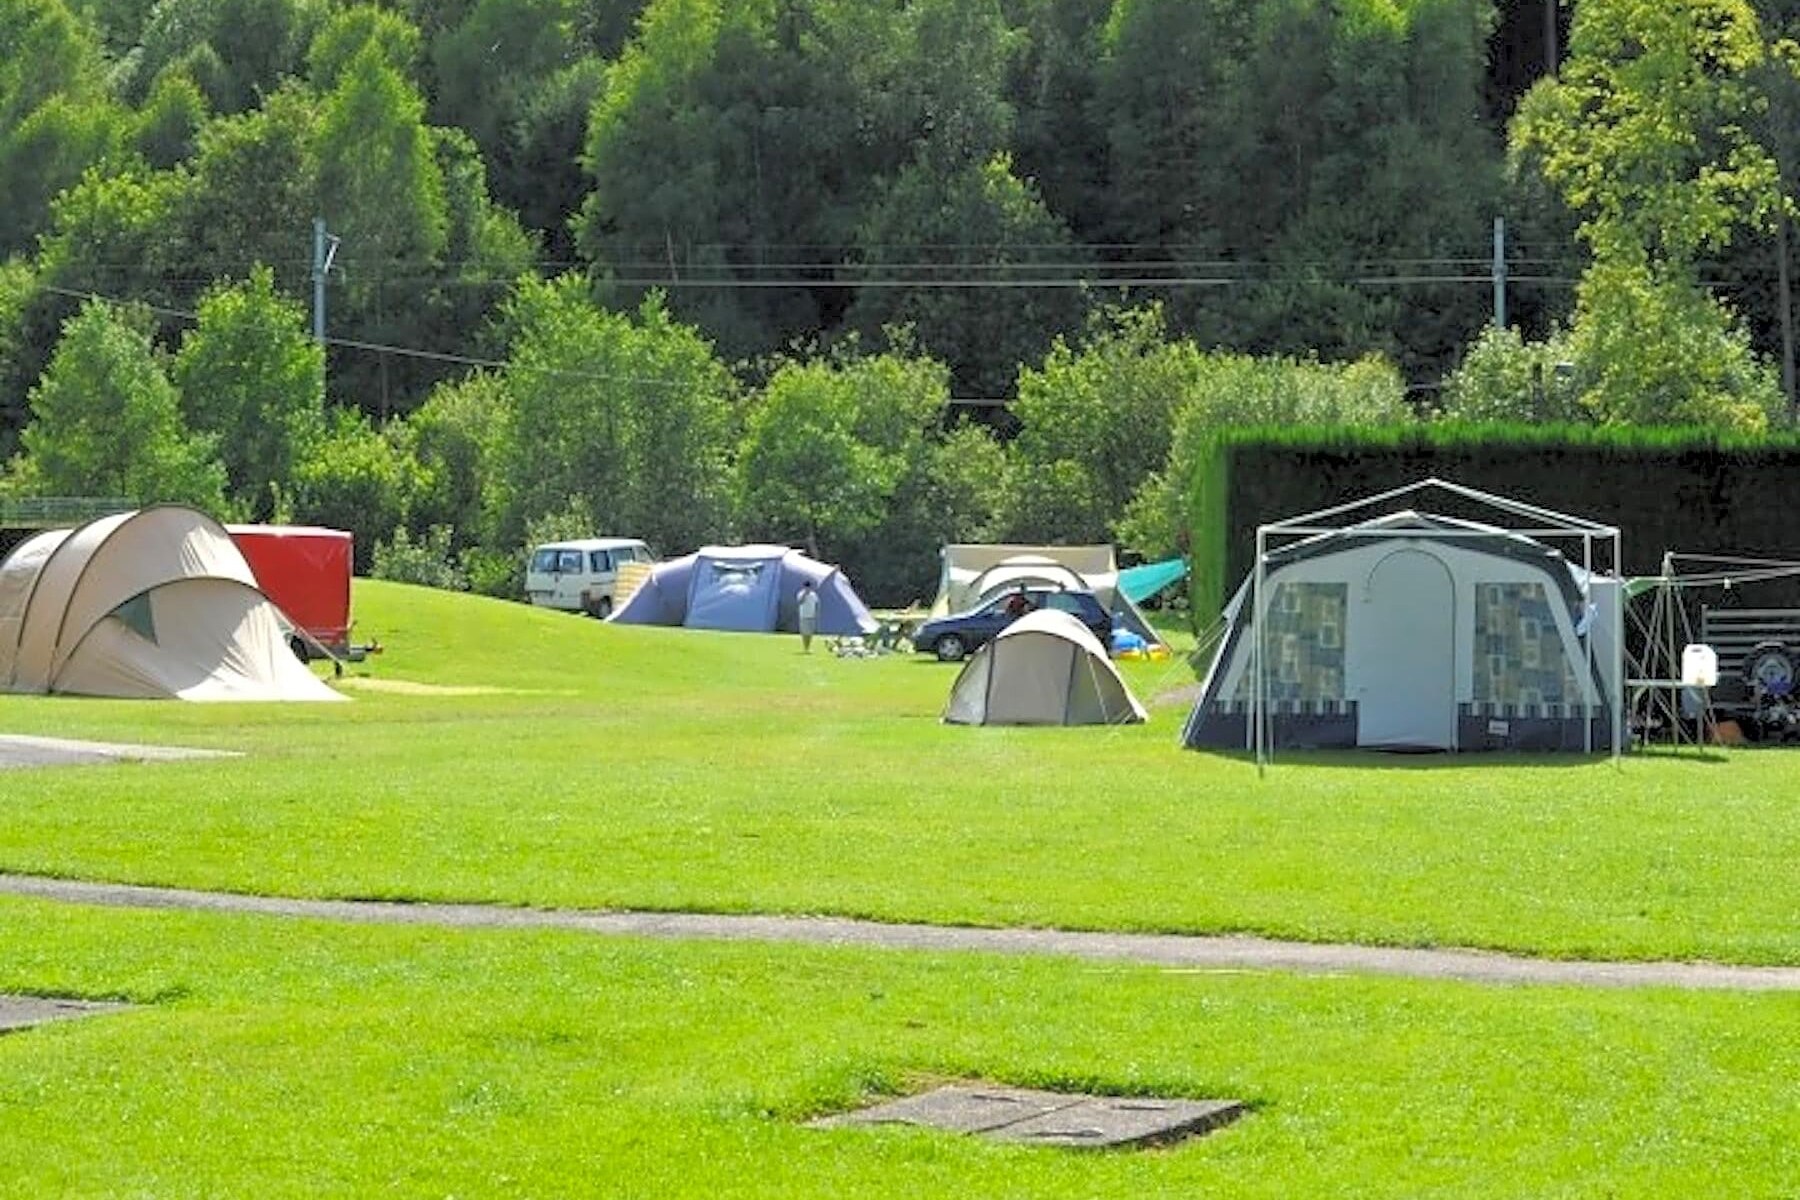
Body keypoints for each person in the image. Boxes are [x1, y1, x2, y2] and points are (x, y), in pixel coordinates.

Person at [796, 581, 821, 653]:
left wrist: (816, 614)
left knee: (810, 633)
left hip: (811, 616)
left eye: (809, 587)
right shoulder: (800, 594)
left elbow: (817, 604)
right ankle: (805, 647)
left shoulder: (814, 595)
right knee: (804, 633)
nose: (808, 588)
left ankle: (808, 647)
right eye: (806, 587)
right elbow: (800, 602)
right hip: (804, 615)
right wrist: (805, 594)